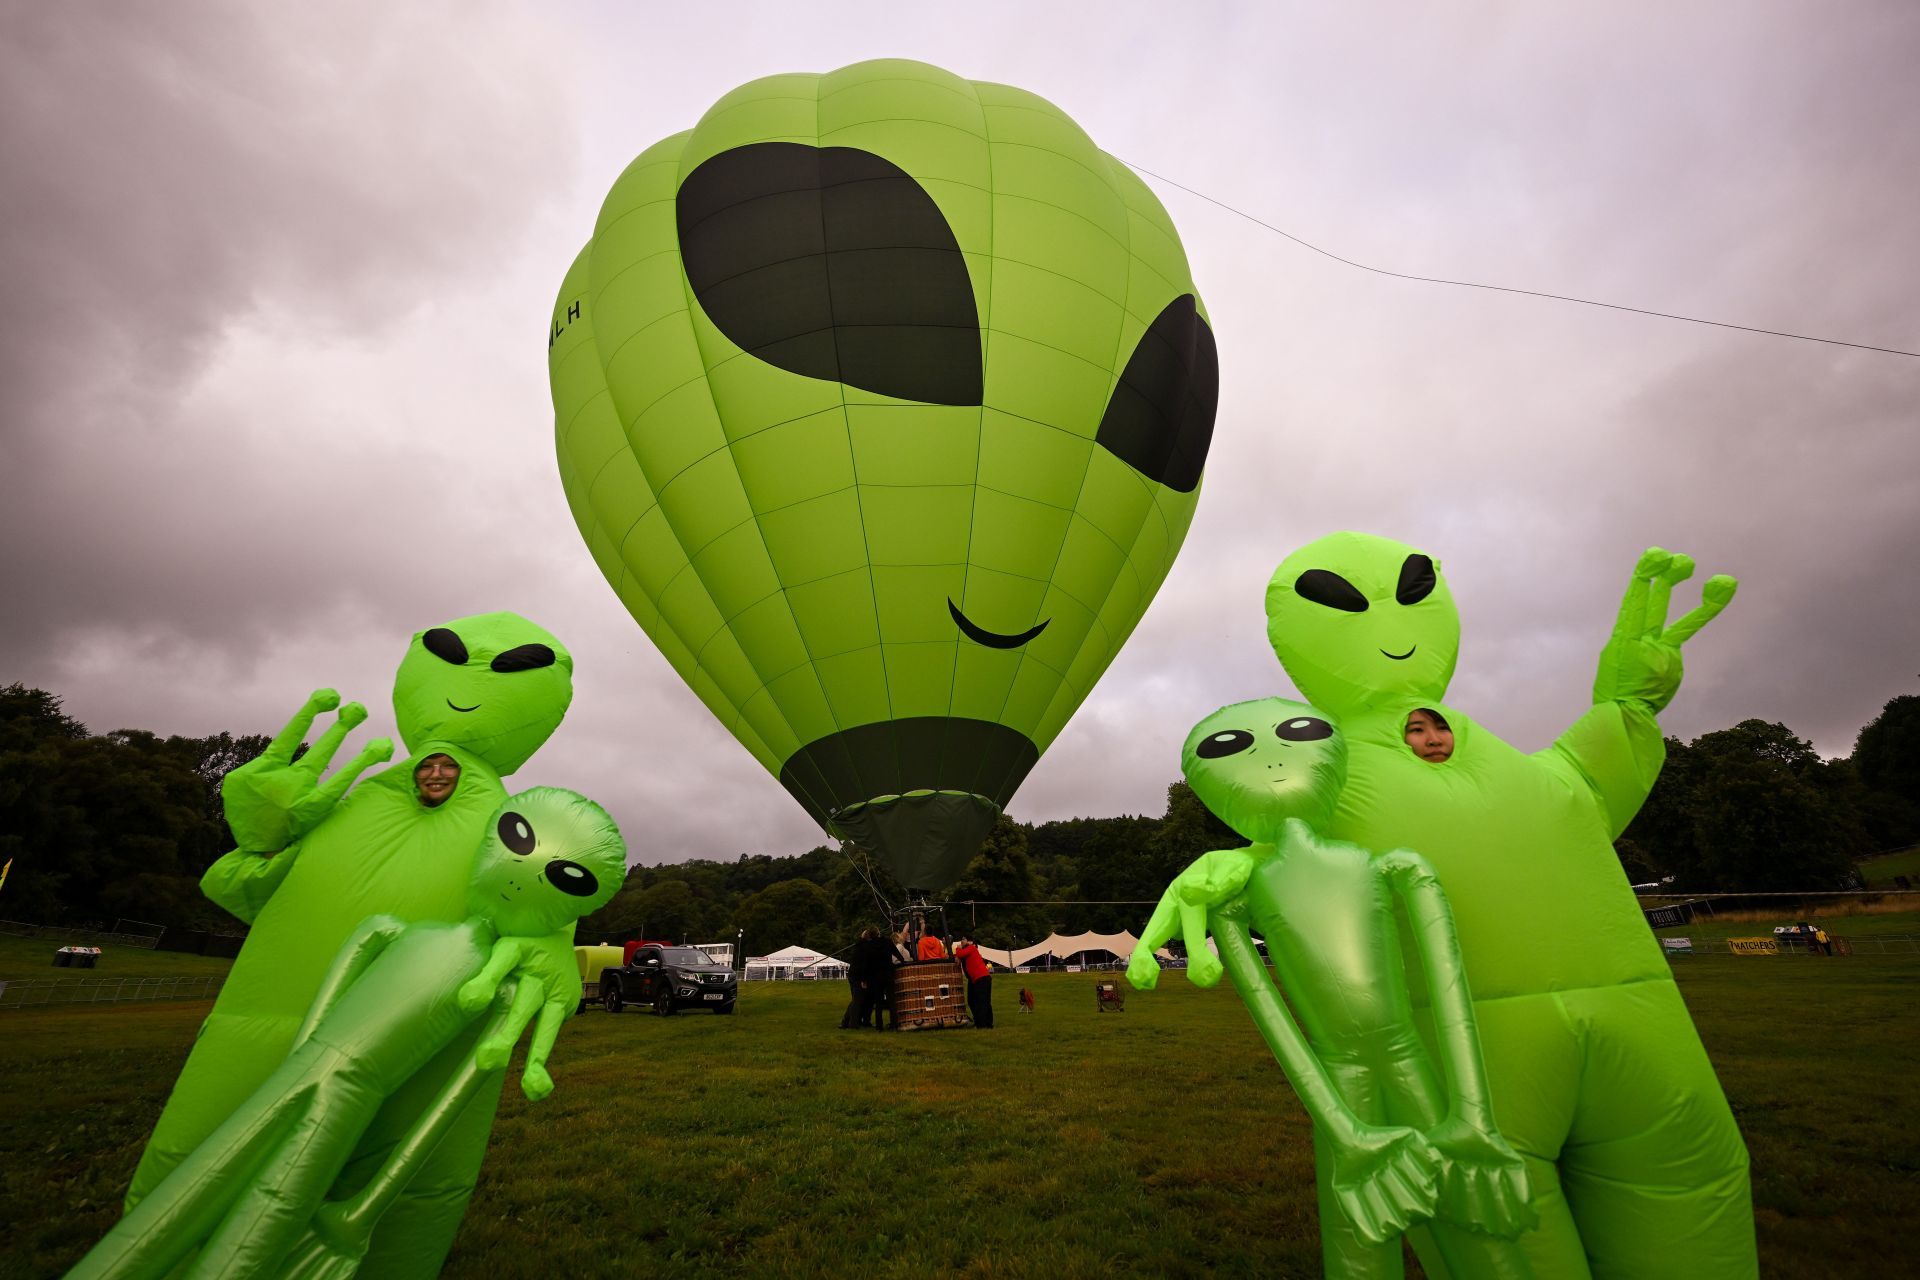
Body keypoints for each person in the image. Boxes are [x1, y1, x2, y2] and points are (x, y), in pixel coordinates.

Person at [952, 935, 993, 1029]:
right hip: (979, 978)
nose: (961, 941)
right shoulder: (969, 951)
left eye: (963, 940)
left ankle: (983, 1024)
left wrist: (958, 949)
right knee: (980, 1001)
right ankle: (985, 1023)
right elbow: (960, 956)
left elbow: (961, 954)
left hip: (981, 978)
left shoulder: (971, 948)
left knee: (982, 1002)